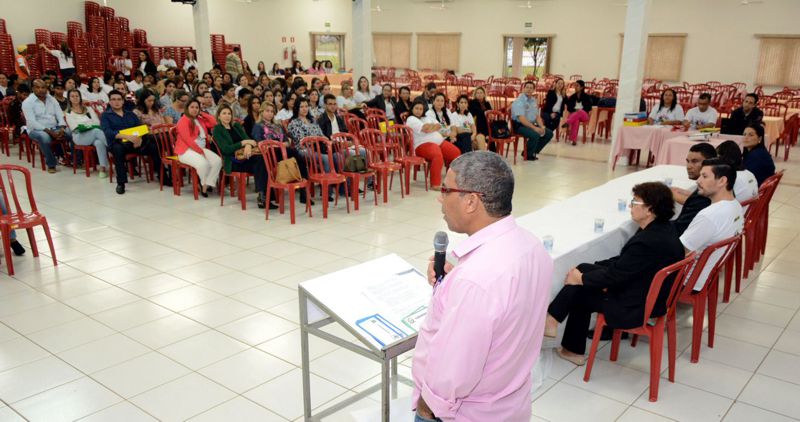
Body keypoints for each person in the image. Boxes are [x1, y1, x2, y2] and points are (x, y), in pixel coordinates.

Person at [412, 151, 552, 422]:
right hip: (510, 405)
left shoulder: (476, 280)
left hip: (464, 414)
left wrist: (426, 408)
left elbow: (454, 371)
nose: (440, 198)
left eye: (446, 189)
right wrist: (453, 277)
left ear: (471, 201)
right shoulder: (532, 247)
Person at [544, 182, 684, 365]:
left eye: (635, 202)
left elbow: (616, 276)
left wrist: (582, 279)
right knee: (584, 268)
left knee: (579, 292)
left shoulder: (647, 241)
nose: (630, 206)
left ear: (649, 209)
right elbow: (625, 264)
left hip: (635, 304)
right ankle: (553, 322)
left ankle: (566, 340)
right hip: (646, 290)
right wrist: (586, 271)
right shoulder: (662, 229)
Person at [680, 158, 744, 291]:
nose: (698, 181)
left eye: (704, 176)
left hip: (688, 280)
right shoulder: (736, 205)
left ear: (722, 181)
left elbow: (680, 251)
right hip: (708, 275)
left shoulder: (709, 215)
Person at [101, 90, 168, 195]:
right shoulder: (106, 115)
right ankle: (121, 183)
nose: (116, 102)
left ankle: (163, 177)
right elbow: (108, 132)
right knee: (117, 150)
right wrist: (128, 136)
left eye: (119, 99)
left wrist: (139, 138)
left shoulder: (130, 114)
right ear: (109, 102)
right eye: (113, 99)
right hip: (118, 142)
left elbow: (140, 127)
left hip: (136, 141)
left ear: (123, 101)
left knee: (154, 146)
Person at [212, 104, 275, 209]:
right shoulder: (217, 129)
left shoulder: (236, 126)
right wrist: (243, 143)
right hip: (232, 161)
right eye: (224, 113)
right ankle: (265, 195)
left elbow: (249, 140)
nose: (227, 116)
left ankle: (263, 195)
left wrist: (248, 145)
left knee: (262, 160)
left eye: (229, 113)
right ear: (219, 116)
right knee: (261, 163)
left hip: (246, 156)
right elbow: (226, 149)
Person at [251, 102, 312, 204]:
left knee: (299, 157)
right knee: (262, 161)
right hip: (268, 154)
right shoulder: (258, 126)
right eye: (267, 111)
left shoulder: (277, 125)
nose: (270, 114)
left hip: (281, 152)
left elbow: (287, 141)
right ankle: (263, 195)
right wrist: (278, 145)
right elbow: (260, 142)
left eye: (272, 111)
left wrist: (282, 145)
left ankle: (303, 192)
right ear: (262, 112)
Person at [407, 100, 460, 189]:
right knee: (437, 155)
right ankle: (435, 184)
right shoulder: (411, 119)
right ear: (412, 109)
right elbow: (425, 128)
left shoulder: (426, 117)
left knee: (456, 153)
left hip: (438, 142)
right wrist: (431, 127)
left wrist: (430, 127)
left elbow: (438, 125)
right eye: (416, 108)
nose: (418, 111)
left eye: (420, 109)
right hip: (422, 145)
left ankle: (451, 178)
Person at [22, 79, 70, 173]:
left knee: (71, 133)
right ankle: (51, 164)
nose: (41, 90)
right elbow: (31, 121)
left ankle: (75, 159)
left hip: (54, 127)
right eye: (38, 87)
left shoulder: (52, 99)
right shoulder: (27, 102)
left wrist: (62, 127)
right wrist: (48, 131)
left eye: (43, 87)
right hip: (36, 130)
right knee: (45, 138)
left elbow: (59, 114)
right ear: (33, 89)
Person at [175, 99, 221, 197]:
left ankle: (207, 183)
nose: (195, 109)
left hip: (201, 149)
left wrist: (202, 113)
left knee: (217, 161)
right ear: (187, 108)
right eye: (192, 107)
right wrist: (200, 152)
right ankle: (203, 184)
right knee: (204, 164)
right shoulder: (183, 120)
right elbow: (188, 140)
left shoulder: (199, 119)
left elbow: (214, 123)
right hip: (185, 150)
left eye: (197, 107)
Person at [670, 142, 717, 236]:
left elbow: (679, 229)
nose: (688, 166)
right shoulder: (715, 187)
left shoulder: (706, 194)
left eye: (695, 161)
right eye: (688, 161)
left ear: (709, 162)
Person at [64, 89, 109, 177]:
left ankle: (103, 169)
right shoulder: (68, 113)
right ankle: (112, 148)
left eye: (77, 96)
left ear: (80, 97)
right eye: (72, 96)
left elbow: (96, 122)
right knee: (96, 131)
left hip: (92, 133)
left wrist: (88, 126)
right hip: (79, 137)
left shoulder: (88, 109)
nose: (75, 98)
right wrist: (89, 125)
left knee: (99, 142)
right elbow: (75, 128)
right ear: (69, 99)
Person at [510, 81, 553, 160]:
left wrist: (542, 127)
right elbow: (522, 119)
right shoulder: (519, 101)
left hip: (531, 124)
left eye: (531, 88)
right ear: (523, 89)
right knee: (535, 134)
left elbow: (537, 116)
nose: (529, 90)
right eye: (527, 87)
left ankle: (530, 151)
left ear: (533, 90)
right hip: (519, 126)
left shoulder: (533, 100)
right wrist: (535, 128)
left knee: (548, 133)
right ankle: (528, 155)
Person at [562, 80, 594, 144]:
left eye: (577, 85)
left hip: (584, 116)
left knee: (579, 111)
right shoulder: (572, 97)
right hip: (574, 116)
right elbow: (569, 108)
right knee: (576, 120)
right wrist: (575, 110)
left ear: (582, 87)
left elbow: (589, 108)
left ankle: (568, 122)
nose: (575, 87)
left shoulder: (586, 97)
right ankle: (574, 140)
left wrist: (579, 110)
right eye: (575, 85)